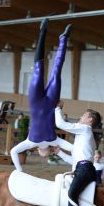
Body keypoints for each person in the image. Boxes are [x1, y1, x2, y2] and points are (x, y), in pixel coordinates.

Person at [10, 18, 73, 171]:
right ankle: (63, 38)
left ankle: (43, 30)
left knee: (39, 69)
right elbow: (74, 148)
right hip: (51, 102)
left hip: (37, 101)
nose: (43, 153)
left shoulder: (31, 142)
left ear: (37, 151)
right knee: (56, 71)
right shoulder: (54, 141)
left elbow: (13, 151)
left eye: (42, 154)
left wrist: (19, 170)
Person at [55, 101, 101, 206]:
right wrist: (59, 153)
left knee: (71, 194)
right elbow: (74, 161)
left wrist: (57, 109)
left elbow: (61, 125)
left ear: (90, 120)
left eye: (83, 116)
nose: (80, 117)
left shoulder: (85, 129)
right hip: (84, 169)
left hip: (84, 169)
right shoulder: (86, 137)